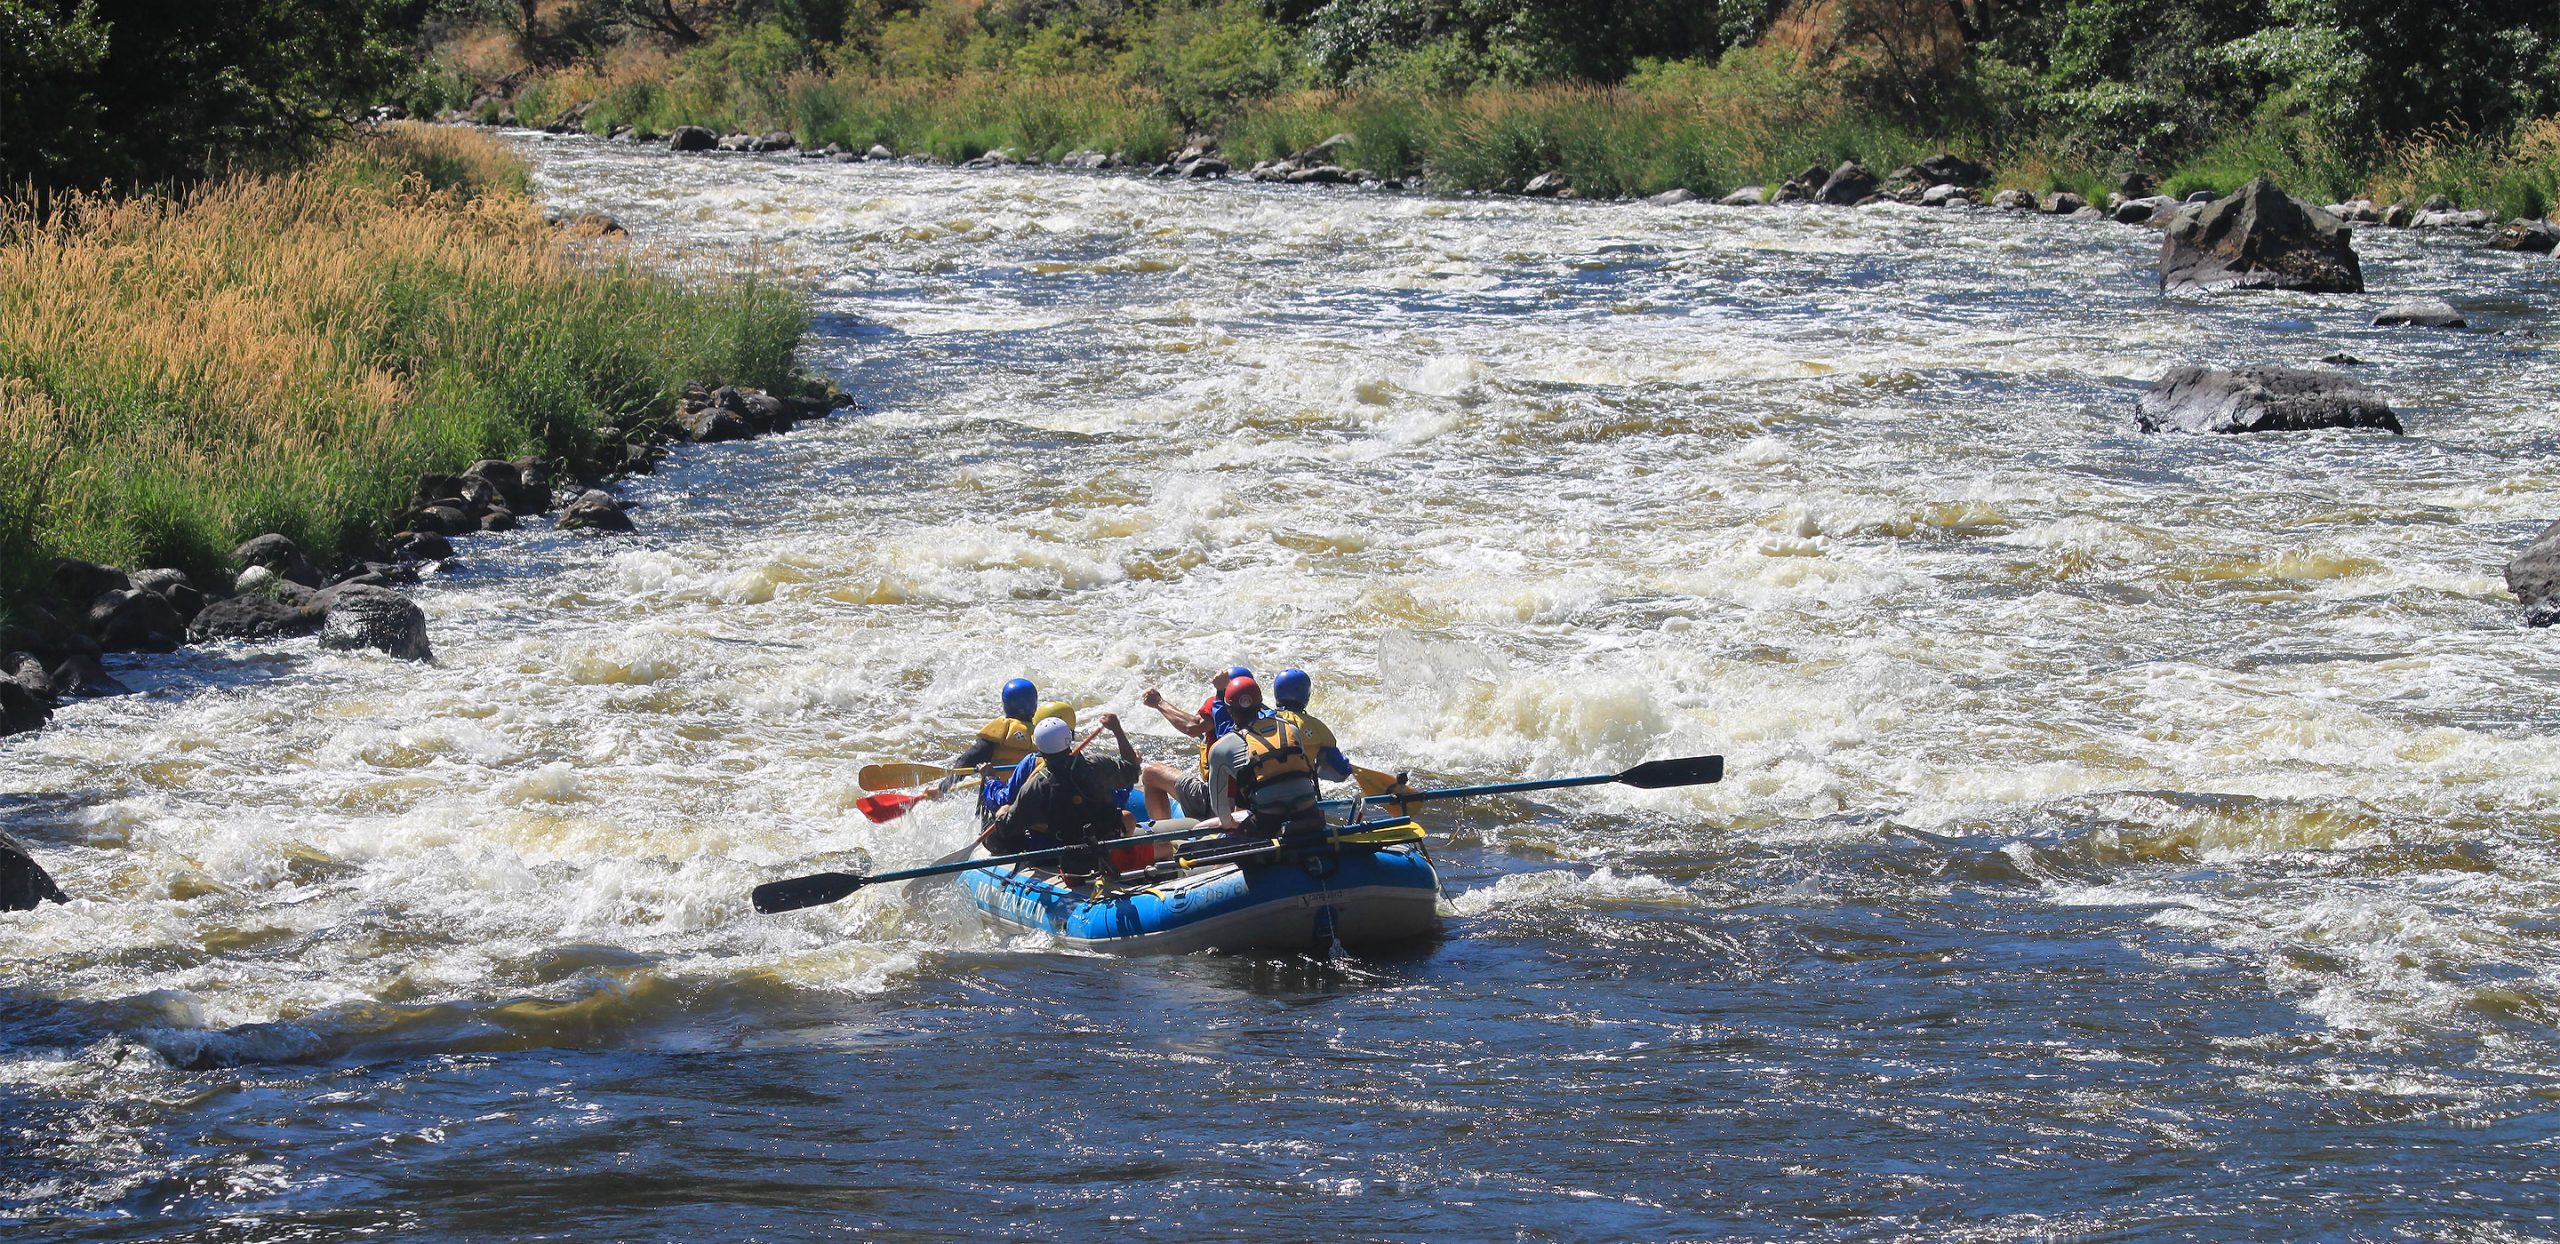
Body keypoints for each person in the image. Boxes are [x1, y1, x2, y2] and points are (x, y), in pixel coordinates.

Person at [988, 712, 1142, 870]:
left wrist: (1001, 813)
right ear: (1069, 739)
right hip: (1104, 836)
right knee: (1126, 817)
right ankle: (1122, 860)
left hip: (1068, 851)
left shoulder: (1035, 786)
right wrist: (1116, 729)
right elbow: (1132, 770)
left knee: (1007, 811)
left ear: (1039, 748)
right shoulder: (1097, 764)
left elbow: (1007, 828)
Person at [1195, 676, 1324, 837]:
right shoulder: (1291, 729)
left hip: (1267, 822)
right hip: (1308, 813)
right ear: (1260, 704)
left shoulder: (1220, 747)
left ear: (1228, 710)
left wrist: (1230, 824)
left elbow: (1220, 809)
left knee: (1200, 829)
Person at [1139, 666, 1260, 819]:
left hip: (1221, 803)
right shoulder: (1267, 715)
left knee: (1150, 773)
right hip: (1256, 797)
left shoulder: (1218, 705)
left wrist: (1158, 702)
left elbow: (1193, 727)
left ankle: (1163, 834)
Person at [942, 678, 1038, 827]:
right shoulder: (1042, 738)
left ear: (1005, 705)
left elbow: (967, 761)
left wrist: (944, 786)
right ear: (1035, 706)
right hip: (1028, 810)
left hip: (995, 809)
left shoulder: (997, 737)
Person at [1269, 667, 1352, 783]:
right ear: (1306, 695)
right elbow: (1340, 772)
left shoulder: (1262, 720)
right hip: (1303, 789)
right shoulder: (1318, 727)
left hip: (1261, 788)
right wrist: (1347, 768)